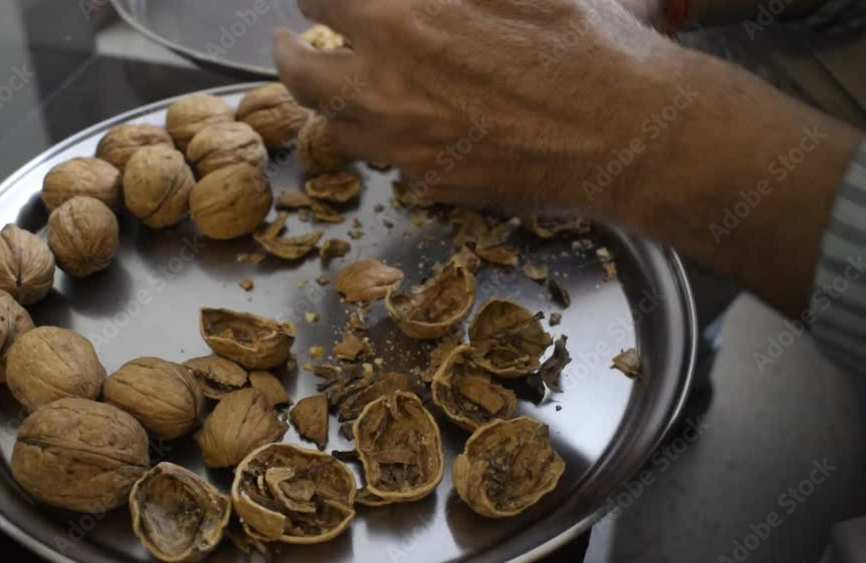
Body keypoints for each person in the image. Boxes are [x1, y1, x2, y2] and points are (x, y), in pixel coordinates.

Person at [274, 0, 865, 560]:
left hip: (786, 147)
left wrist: (634, 126)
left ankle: (684, 405)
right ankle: (684, 394)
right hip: (743, 59)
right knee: (672, 299)